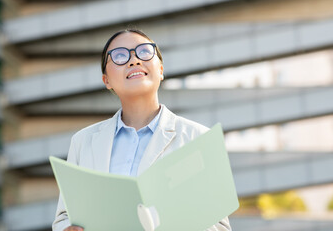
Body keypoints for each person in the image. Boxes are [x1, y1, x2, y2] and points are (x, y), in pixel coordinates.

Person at [52, 29, 232, 231]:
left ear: (161, 70)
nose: (134, 60)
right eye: (120, 56)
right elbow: (64, 218)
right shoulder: (83, 141)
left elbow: (219, 226)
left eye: (145, 52)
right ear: (107, 81)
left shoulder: (198, 138)